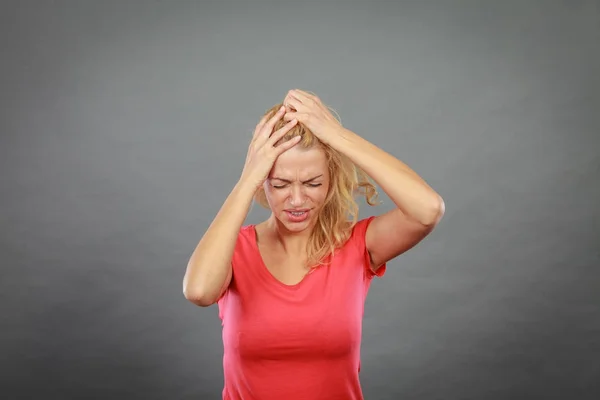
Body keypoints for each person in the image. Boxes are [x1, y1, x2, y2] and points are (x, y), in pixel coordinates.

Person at [183, 89, 445, 400]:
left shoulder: (356, 244)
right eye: (280, 184)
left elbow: (428, 210)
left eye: (313, 183)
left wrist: (337, 136)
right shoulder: (234, 249)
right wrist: (248, 176)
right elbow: (199, 291)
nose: (296, 200)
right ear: (263, 182)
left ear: (331, 181)